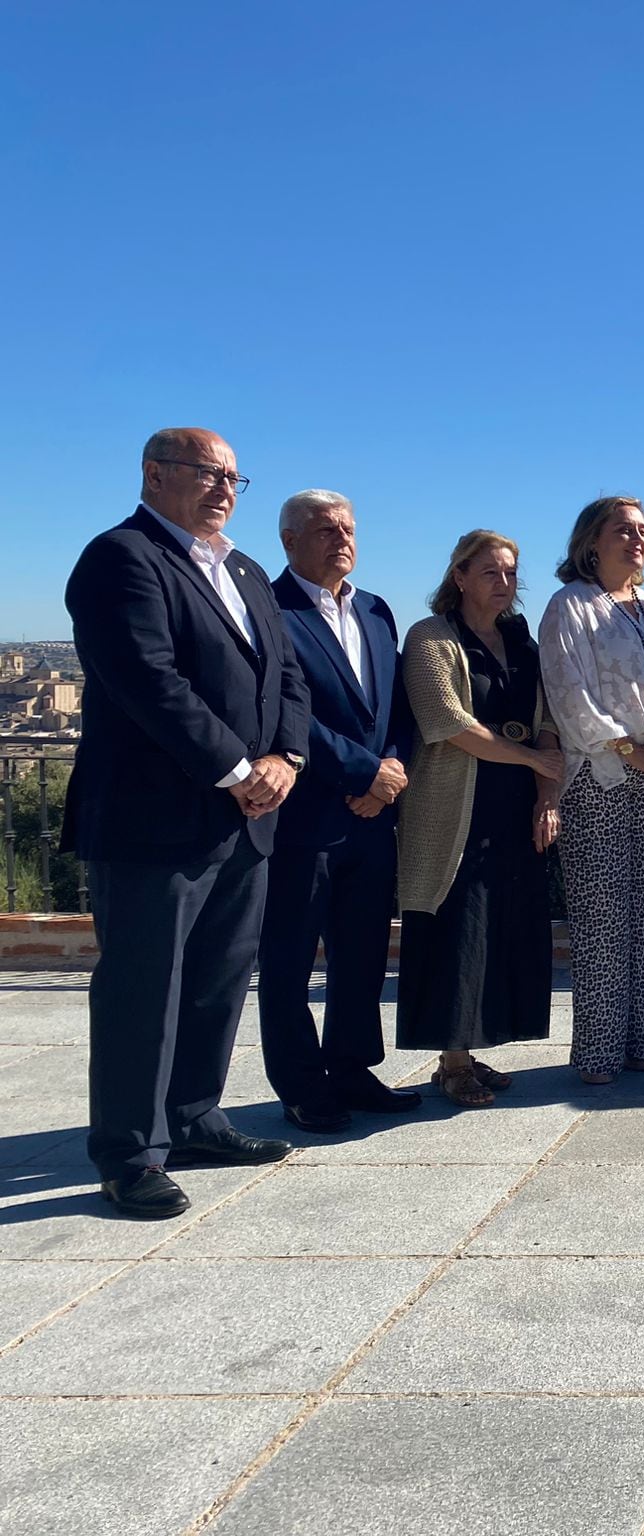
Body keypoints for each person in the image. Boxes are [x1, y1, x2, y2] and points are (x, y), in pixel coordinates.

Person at [64, 427, 309, 1218]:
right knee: (144, 989)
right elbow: (148, 681)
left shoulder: (242, 570)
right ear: (155, 473)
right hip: (156, 821)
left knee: (217, 981)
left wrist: (288, 761)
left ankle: (197, 1119)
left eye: (235, 476)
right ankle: (130, 1154)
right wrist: (240, 770)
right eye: (208, 473)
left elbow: (288, 676)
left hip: (246, 821)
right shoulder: (121, 557)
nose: (225, 488)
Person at [257, 489, 421, 1133]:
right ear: (290, 541)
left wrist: (393, 770)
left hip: (372, 816)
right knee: (291, 959)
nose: (341, 539)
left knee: (361, 956)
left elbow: (396, 708)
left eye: (348, 528)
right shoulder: (268, 609)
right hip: (304, 816)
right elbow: (282, 712)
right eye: (325, 530)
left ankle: (352, 1068)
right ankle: (301, 1085)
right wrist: (364, 772)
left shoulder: (377, 611)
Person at [395, 531, 564, 1107]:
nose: (504, 583)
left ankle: (476, 1044)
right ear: (459, 576)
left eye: (511, 573)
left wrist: (546, 795)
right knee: (457, 930)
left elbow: (548, 719)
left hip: (515, 806)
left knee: (500, 929)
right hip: (452, 808)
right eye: (490, 572)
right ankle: (452, 1060)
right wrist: (530, 757)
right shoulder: (431, 638)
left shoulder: (521, 642)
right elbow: (447, 722)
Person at [538, 496, 644, 1085]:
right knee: (602, 920)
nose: (636, 539)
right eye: (622, 530)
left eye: (643, 530)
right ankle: (600, 1053)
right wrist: (629, 748)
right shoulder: (569, 606)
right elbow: (567, 690)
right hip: (599, 777)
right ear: (591, 541)